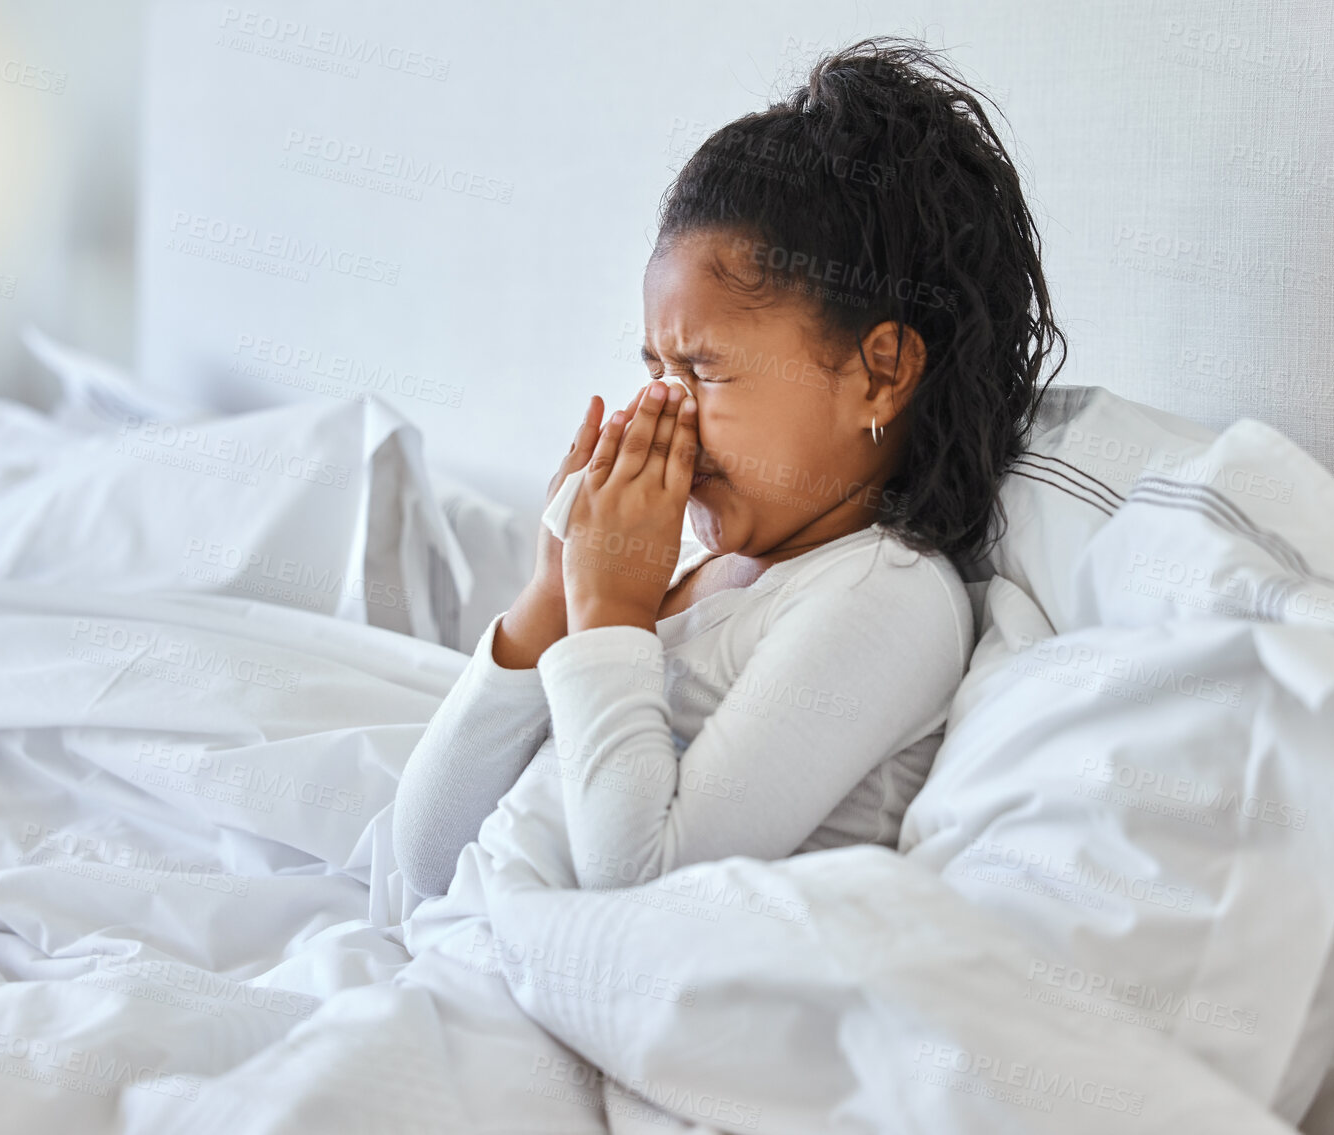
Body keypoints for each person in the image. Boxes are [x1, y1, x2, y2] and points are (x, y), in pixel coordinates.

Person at [392, 35, 1066, 955]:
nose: (662, 405)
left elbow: (640, 885)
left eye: (703, 369)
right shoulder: (710, 575)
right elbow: (425, 854)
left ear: (879, 374)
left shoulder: (884, 596)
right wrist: (552, 593)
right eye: (653, 366)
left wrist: (610, 616)